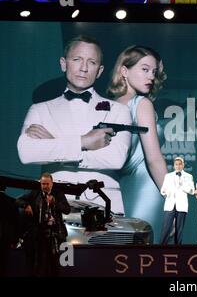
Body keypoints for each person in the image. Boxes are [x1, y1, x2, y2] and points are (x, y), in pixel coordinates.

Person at [17, 35, 132, 214]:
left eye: (91, 62)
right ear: (64, 63)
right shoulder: (40, 109)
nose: (84, 68)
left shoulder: (119, 110)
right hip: (53, 205)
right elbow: (27, 152)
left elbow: (115, 158)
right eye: (77, 59)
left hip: (104, 204)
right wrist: (83, 142)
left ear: (99, 71)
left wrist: (54, 142)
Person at [107, 45, 168, 239]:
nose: (151, 76)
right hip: (147, 188)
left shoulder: (110, 105)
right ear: (124, 70)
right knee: (148, 255)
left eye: (154, 71)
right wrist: (174, 198)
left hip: (119, 192)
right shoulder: (142, 104)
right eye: (144, 69)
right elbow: (154, 160)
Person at [16, 172, 71, 276]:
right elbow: (18, 200)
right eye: (43, 184)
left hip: (55, 234)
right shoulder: (35, 193)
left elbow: (67, 210)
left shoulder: (58, 194)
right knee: (38, 264)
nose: (45, 186)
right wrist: (26, 205)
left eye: (47, 184)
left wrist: (55, 202)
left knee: (54, 264)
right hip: (38, 234)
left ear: (52, 183)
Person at [160, 157, 195, 244]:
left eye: (180, 164)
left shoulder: (188, 176)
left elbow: (192, 191)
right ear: (174, 166)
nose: (178, 166)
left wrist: (182, 184)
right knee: (166, 228)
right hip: (170, 205)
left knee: (179, 230)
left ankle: (178, 249)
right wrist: (165, 192)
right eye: (176, 164)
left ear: (183, 165)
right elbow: (162, 189)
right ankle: (161, 247)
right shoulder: (168, 176)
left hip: (182, 206)